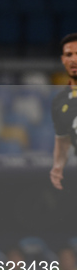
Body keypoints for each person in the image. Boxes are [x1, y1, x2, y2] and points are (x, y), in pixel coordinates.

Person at [50, 33, 77, 190]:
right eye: (69, 54)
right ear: (63, 60)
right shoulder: (59, 102)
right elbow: (62, 140)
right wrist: (58, 166)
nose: (74, 59)